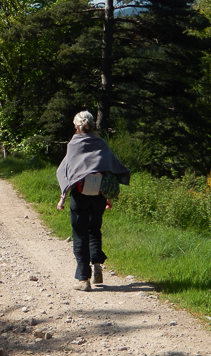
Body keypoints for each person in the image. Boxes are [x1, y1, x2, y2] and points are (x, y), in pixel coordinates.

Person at [56, 111, 130, 291]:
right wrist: (108, 197)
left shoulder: (74, 145)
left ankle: (84, 279)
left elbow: (66, 170)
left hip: (80, 195)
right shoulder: (101, 144)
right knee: (94, 229)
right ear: (92, 125)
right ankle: (97, 265)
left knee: (80, 234)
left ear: (76, 126)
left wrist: (63, 196)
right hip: (99, 195)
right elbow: (111, 167)